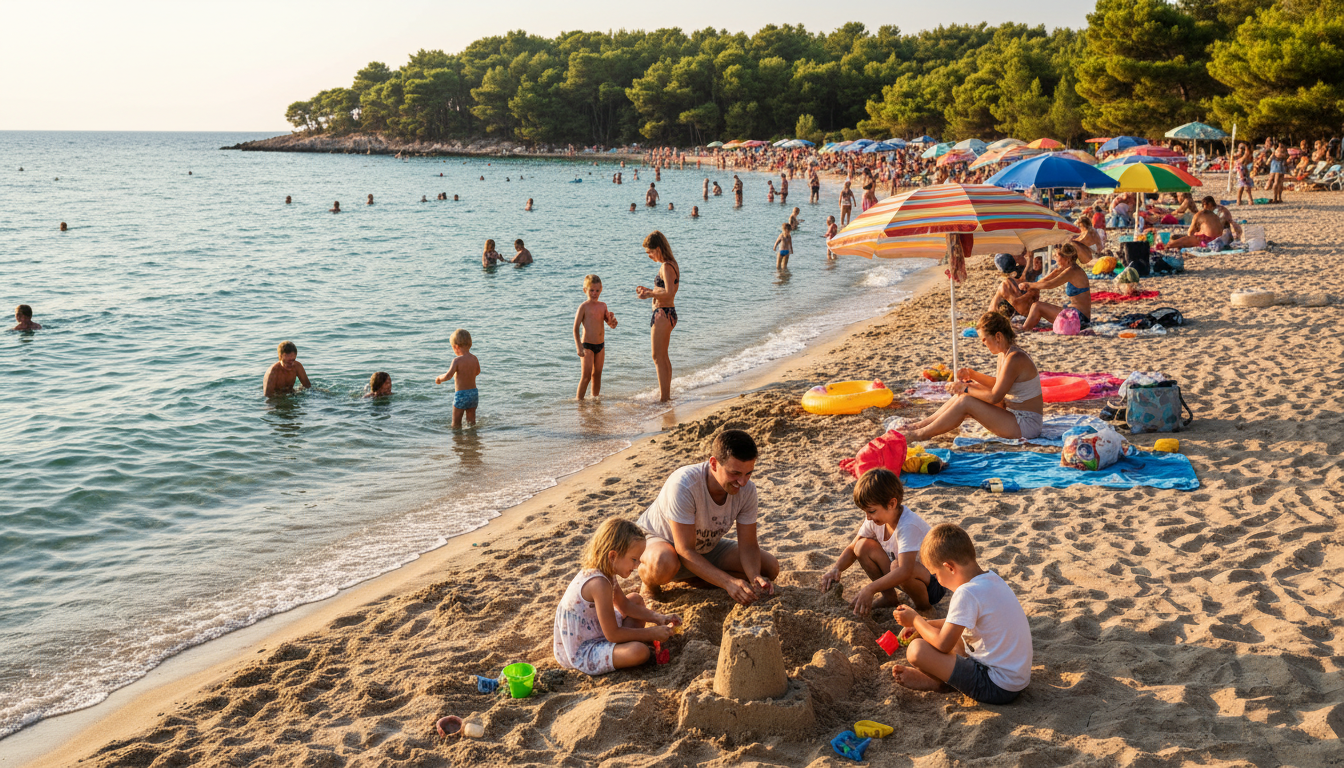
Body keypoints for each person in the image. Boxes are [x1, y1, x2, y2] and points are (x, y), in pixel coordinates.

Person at [891, 523, 1032, 705]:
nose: (939, 582)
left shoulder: (966, 593)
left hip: (996, 687)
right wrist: (928, 623)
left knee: (916, 651)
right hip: (1015, 681)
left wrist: (916, 620)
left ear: (949, 567)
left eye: (936, 574)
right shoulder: (991, 579)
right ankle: (946, 679)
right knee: (956, 633)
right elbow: (959, 621)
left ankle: (941, 684)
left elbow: (943, 644)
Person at [637, 430, 780, 605]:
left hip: (703, 547)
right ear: (714, 463)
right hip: (660, 543)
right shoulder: (684, 484)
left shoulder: (748, 490)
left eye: (748, 473)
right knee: (663, 563)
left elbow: (749, 545)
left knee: (770, 567)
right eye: (735, 473)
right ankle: (649, 584)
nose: (742, 482)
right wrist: (727, 582)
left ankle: (695, 577)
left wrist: (755, 577)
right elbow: (684, 550)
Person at [553, 518, 681, 675]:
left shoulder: (607, 574)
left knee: (635, 599)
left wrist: (659, 618)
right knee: (639, 651)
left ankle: (633, 640)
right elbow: (612, 634)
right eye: (634, 560)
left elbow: (625, 605)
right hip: (584, 649)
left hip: (595, 629)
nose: (636, 566)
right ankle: (635, 642)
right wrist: (651, 633)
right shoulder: (599, 583)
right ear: (613, 556)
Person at [899, 313, 1043, 441]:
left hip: (1026, 425)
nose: (983, 344)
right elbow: (998, 384)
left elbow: (995, 397)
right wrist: (972, 376)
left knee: (966, 400)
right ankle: (921, 425)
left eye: (984, 339)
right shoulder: (1004, 354)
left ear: (998, 336)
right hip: (1013, 414)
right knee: (965, 393)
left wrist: (965, 387)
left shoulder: (1015, 358)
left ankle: (921, 434)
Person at [820, 468, 946, 615]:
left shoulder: (908, 525)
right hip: (901, 573)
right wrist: (836, 568)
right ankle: (889, 597)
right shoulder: (876, 520)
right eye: (865, 512)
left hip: (934, 584)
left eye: (871, 511)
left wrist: (871, 588)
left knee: (898, 565)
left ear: (892, 504)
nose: (867, 517)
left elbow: (905, 570)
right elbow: (853, 547)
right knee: (862, 546)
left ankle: (924, 608)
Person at [635, 231, 679, 402]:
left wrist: (648, 295)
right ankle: (666, 396)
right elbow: (666, 290)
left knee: (657, 357)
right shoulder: (672, 264)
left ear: (658, 249)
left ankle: (664, 398)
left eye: (650, 252)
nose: (649, 256)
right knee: (663, 356)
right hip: (667, 314)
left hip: (663, 314)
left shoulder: (666, 266)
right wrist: (649, 291)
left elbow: (668, 293)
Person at [1018, 243, 1091, 330]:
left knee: (1037, 306)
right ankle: (1027, 325)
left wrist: (1029, 285)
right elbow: (1044, 281)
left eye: (1056, 256)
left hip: (1079, 319)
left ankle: (1024, 329)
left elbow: (1050, 285)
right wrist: (1033, 286)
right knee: (1039, 308)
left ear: (1067, 258)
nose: (1054, 258)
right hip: (1078, 315)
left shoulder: (1072, 271)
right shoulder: (1069, 268)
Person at [573, 274, 618, 400]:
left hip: (600, 345)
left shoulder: (603, 306)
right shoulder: (583, 307)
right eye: (591, 290)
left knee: (597, 374)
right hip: (587, 346)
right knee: (586, 376)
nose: (594, 293)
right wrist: (579, 347)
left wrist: (613, 322)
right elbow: (575, 328)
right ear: (585, 290)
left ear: (601, 290)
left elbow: (610, 323)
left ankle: (595, 400)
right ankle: (579, 401)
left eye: (597, 290)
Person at [434, 328, 480, 428]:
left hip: (461, 394)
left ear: (456, 347)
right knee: (471, 421)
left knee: (456, 422)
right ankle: (472, 439)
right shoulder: (474, 358)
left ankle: (457, 441)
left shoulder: (457, 361)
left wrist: (439, 379)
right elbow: (478, 372)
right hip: (473, 394)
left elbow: (448, 376)